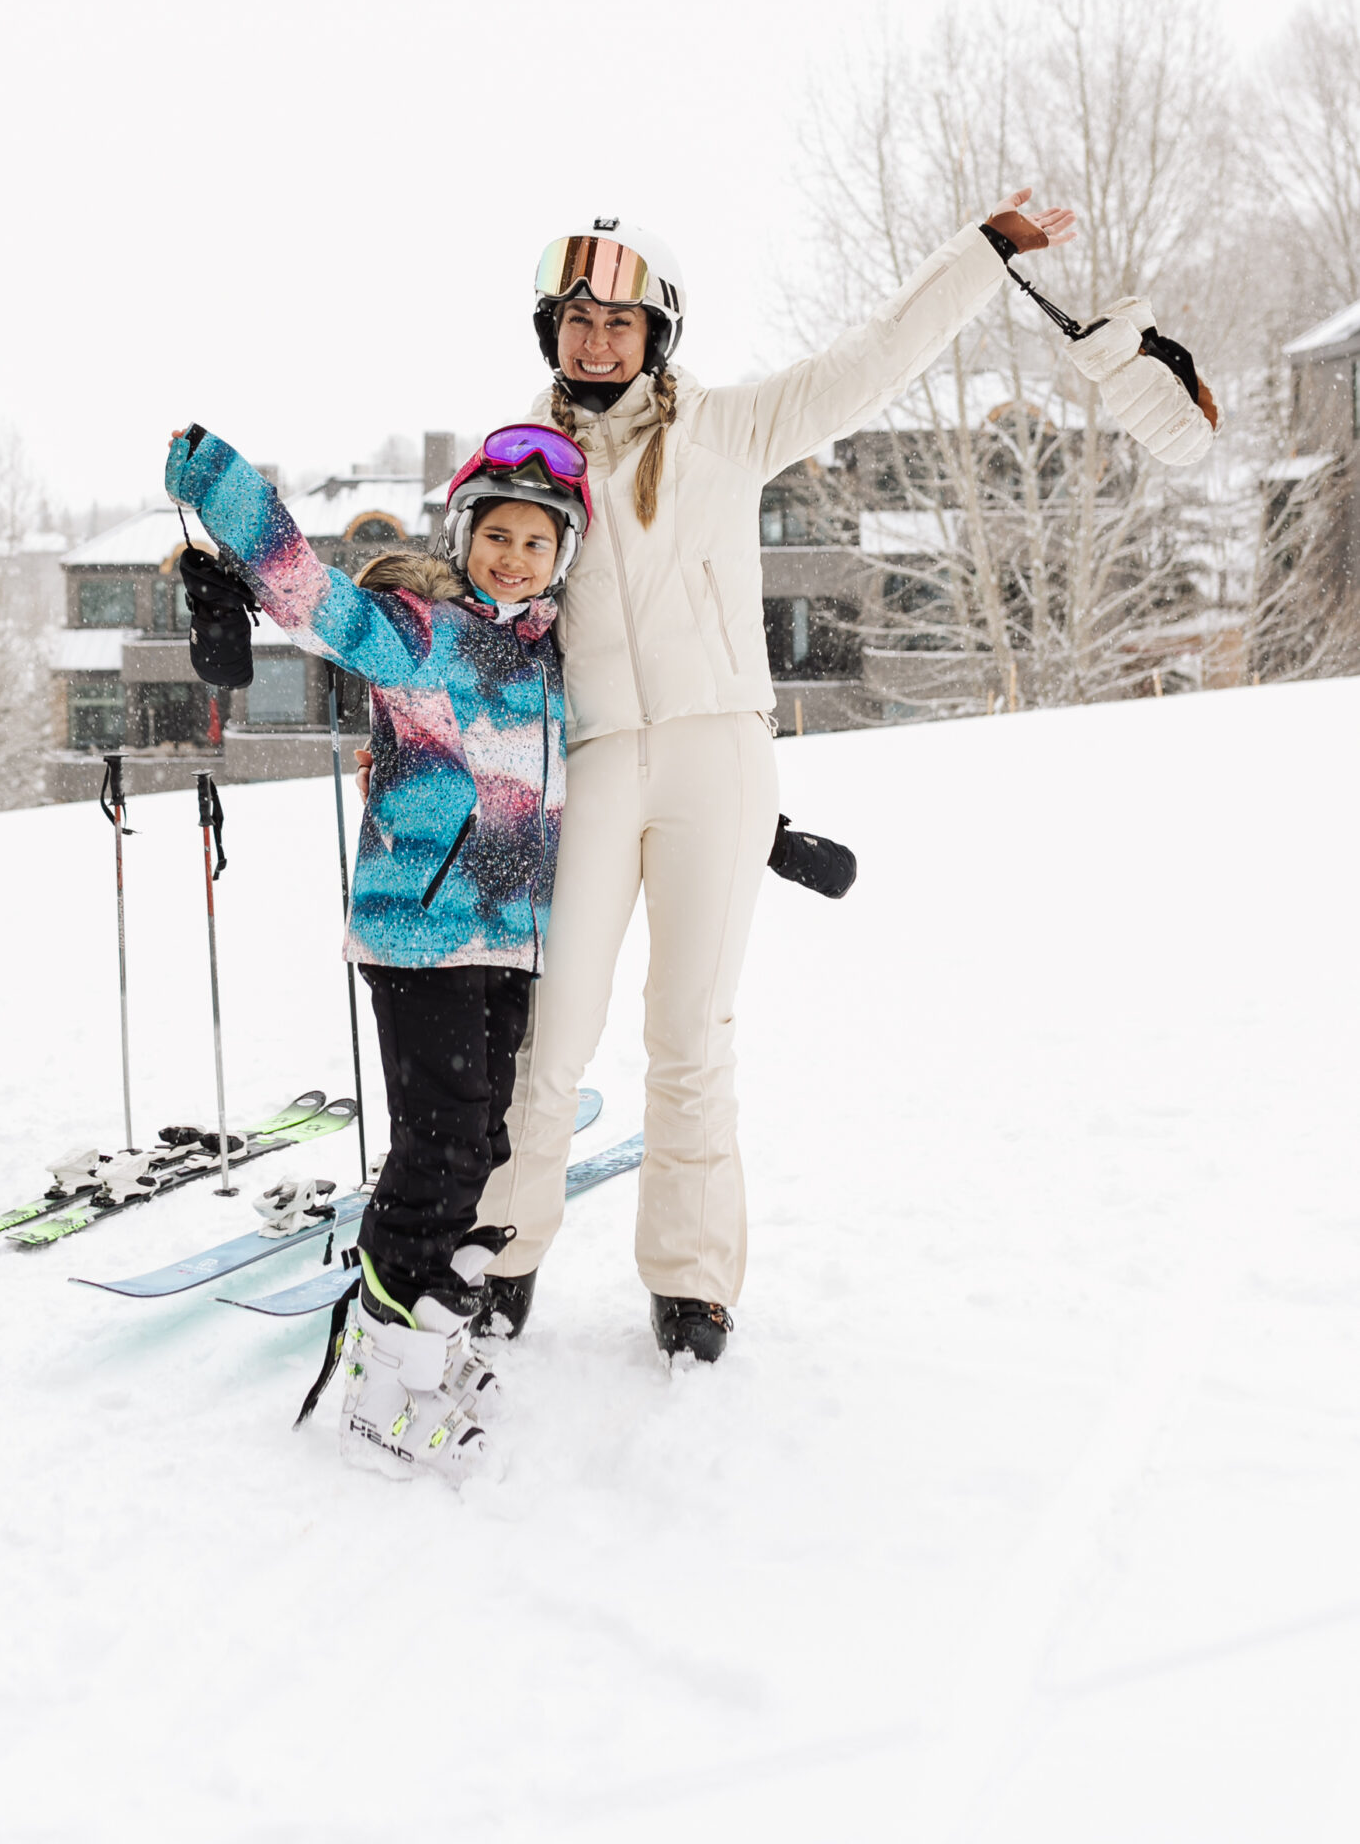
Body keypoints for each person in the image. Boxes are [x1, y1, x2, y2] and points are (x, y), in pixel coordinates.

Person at [476, 193, 1077, 1361]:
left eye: (622, 320)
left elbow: (874, 360)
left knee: (691, 1028)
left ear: (661, 333)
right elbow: (462, 604)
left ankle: (691, 1279)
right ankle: (500, 1252)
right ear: (549, 330)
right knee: (555, 1028)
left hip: (718, 753)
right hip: (593, 763)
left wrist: (983, 253)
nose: (599, 340)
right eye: (578, 318)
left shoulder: (729, 431)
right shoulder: (526, 463)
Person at [164, 418, 590, 1482]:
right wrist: (225, 490)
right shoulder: (422, 635)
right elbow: (311, 594)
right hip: (420, 933)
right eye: (497, 534)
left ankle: (424, 1335)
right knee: (436, 1154)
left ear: (561, 561)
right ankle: (383, 1380)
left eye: (538, 543)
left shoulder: (552, 668)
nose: (514, 556)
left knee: (482, 1147)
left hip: (507, 943)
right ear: (467, 535)